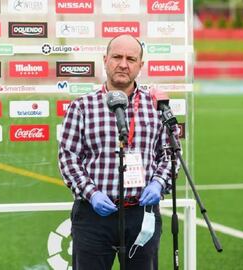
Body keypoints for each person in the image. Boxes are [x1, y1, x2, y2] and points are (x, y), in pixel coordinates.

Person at [58, 34, 180, 270]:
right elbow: (68, 158)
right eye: (117, 57)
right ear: (105, 60)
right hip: (93, 217)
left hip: (141, 216)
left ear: (140, 65)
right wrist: (91, 193)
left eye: (131, 59)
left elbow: (170, 155)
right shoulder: (81, 106)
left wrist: (158, 183)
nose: (123, 64)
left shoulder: (157, 107)